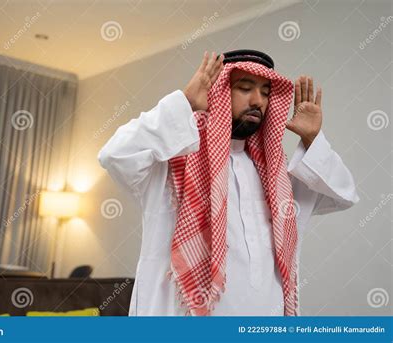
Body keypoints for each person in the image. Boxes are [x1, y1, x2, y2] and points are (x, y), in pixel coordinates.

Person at [98, 49, 359, 316]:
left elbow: (342, 195)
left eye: (266, 93)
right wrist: (184, 104)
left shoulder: (275, 176)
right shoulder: (173, 163)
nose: (258, 100)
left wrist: (312, 140)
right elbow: (114, 154)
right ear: (219, 91)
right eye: (245, 88)